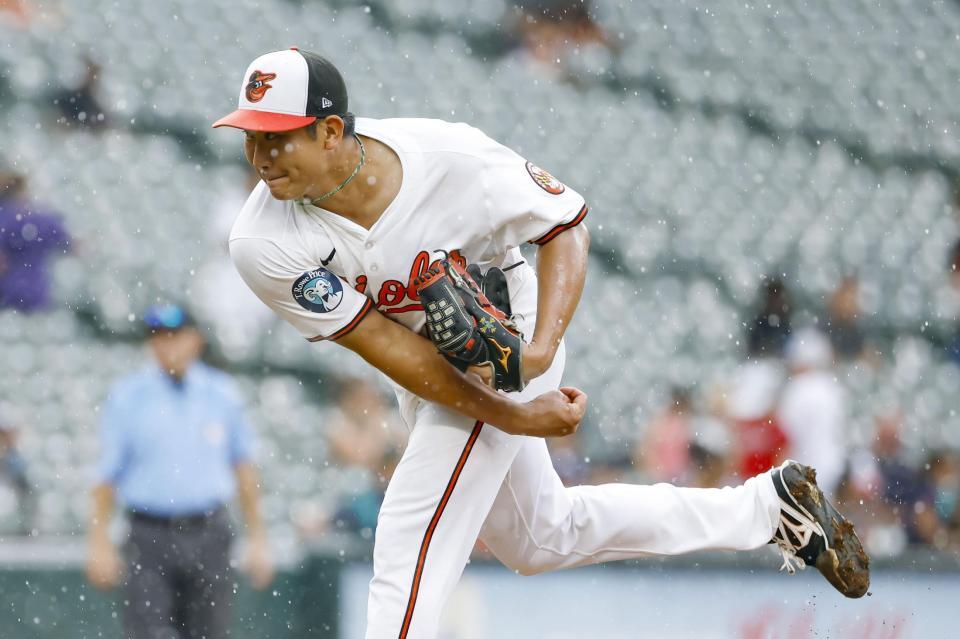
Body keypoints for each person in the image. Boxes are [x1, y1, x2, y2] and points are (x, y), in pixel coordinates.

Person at [213, 48, 869, 637]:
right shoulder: (262, 241)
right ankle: (765, 508)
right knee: (540, 536)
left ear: (331, 131)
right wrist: (517, 415)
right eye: (251, 138)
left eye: (278, 137)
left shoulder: (448, 159)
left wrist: (534, 356)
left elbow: (566, 222)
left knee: (409, 530)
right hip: (429, 359)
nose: (262, 157)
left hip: (510, 326)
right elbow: (394, 350)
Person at [85, 304, 274, 639]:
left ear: (195, 340)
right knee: (147, 631)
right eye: (158, 337)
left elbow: (243, 468)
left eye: (175, 336)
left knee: (209, 632)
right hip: (148, 534)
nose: (167, 345)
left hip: (209, 532)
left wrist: (258, 537)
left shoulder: (222, 394)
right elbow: (105, 477)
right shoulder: (128, 397)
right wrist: (99, 543)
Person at [776, 328, 847, 498]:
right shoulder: (833, 387)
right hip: (835, 466)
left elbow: (785, 435)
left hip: (804, 468)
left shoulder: (798, 388)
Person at [0, 168, 72, 312]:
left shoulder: (5, 217)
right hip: (36, 293)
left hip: (7, 294)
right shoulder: (42, 219)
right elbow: (71, 246)